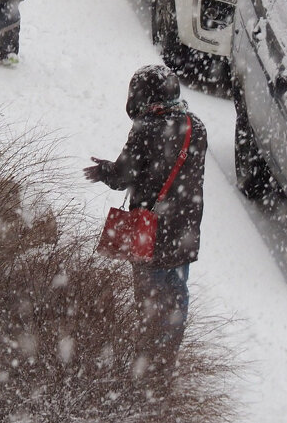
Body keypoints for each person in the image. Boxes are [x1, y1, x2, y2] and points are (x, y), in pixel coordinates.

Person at [83, 65, 207, 372]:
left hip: (150, 231)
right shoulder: (196, 126)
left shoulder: (147, 129)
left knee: (149, 299)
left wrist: (104, 171)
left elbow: (124, 176)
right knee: (176, 295)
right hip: (184, 230)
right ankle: (167, 359)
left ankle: (148, 362)